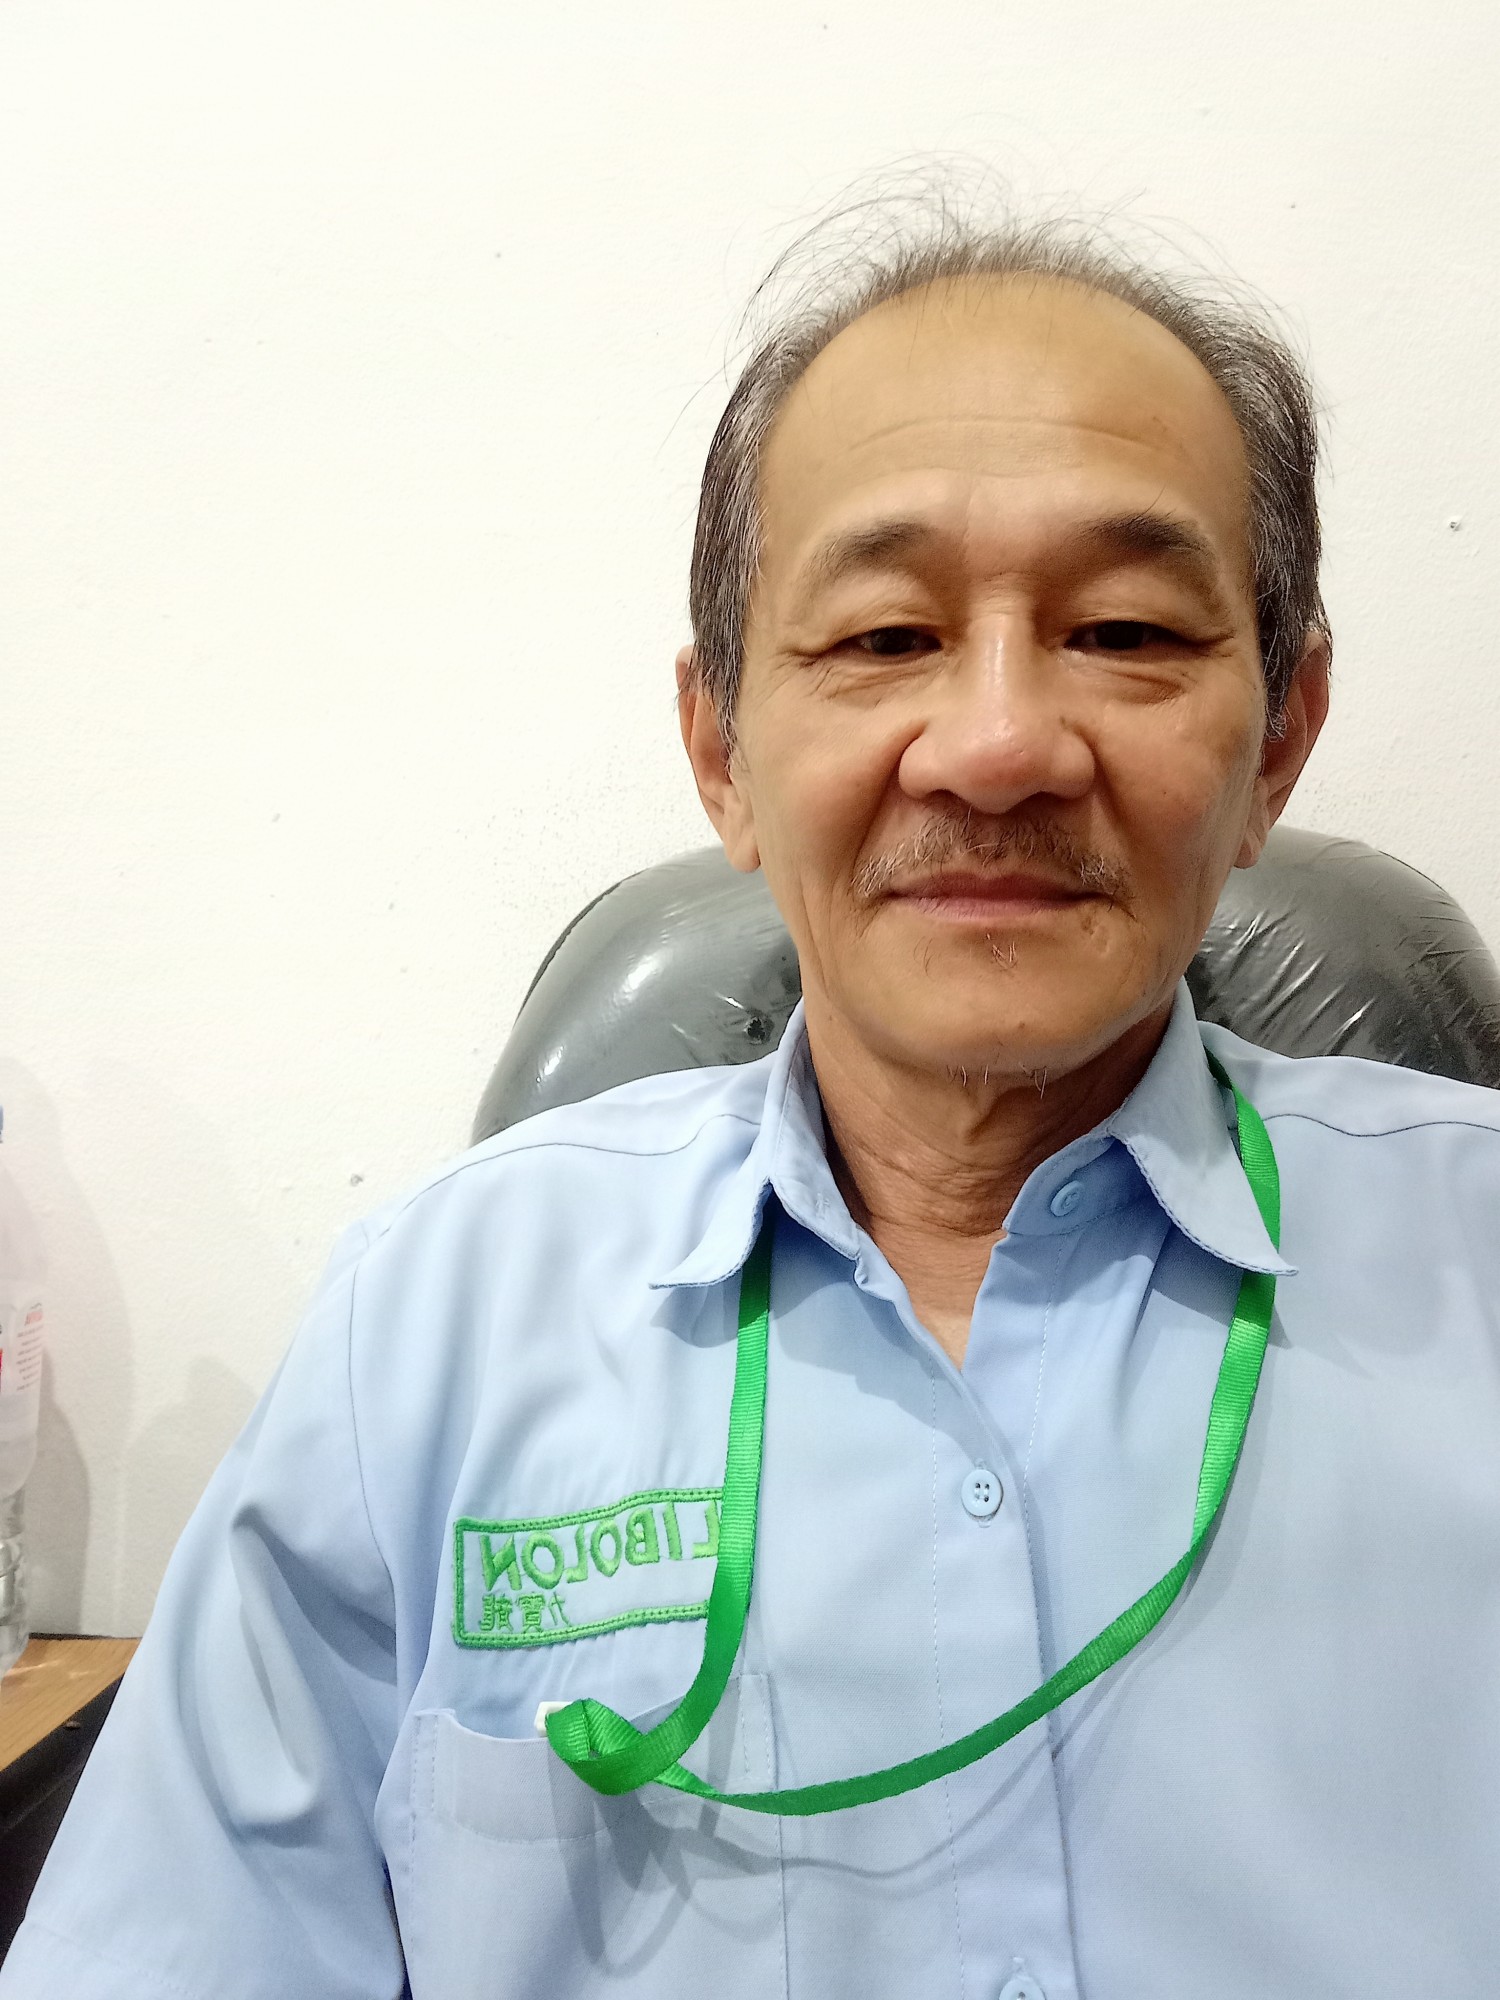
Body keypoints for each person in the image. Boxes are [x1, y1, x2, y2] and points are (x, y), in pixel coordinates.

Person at [6, 195, 1500, 2000]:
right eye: (882, 638)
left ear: (1282, 737)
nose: (999, 745)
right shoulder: (433, 1325)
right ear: (720, 748)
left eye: (1122, 627)